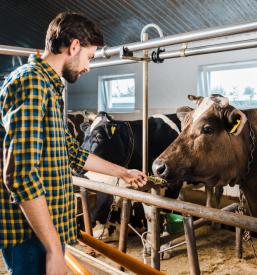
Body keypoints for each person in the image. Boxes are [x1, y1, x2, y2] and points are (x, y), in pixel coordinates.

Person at [0, 12, 147, 275]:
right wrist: (54, 249)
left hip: (45, 232)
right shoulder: (32, 83)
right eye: (89, 57)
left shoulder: (48, 87)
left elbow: (72, 153)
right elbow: (20, 174)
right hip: (31, 237)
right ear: (74, 46)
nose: (89, 66)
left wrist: (122, 172)